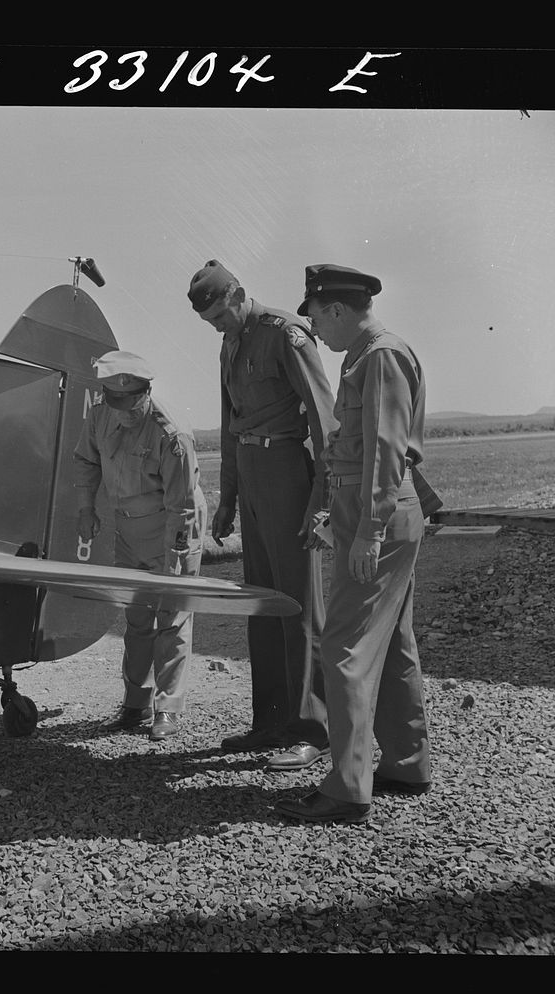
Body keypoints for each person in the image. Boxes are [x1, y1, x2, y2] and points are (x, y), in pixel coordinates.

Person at [275, 263, 433, 825]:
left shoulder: (381, 355)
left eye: (316, 316)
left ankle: (346, 789)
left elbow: (385, 453)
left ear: (337, 308)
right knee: (391, 644)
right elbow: (355, 447)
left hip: (378, 516)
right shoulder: (366, 357)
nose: (316, 330)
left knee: (343, 647)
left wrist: (368, 530)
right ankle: (407, 763)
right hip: (365, 509)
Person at [187, 259, 339, 770]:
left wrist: (322, 503)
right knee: (261, 604)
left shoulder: (284, 334)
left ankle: (313, 730)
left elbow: (325, 424)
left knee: (299, 606)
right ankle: (270, 721)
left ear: (239, 295)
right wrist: (227, 498)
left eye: (221, 318)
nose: (218, 328)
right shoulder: (228, 343)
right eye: (209, 324)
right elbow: (232, 425)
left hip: (287, 477)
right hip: (252, 478)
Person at [73, 350, 208, 741]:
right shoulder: (101, 415)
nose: (125, 413)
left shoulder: (171, 434)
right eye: (117, 403)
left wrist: (177, 560)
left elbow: (181, 507)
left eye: (133, 404)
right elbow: (86, 460)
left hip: (171, 526)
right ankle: (135, 703)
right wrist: (86, 509)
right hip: (128, 530)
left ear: (147, 393)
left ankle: (167, 710)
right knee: (136, 618)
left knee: (172, 616)